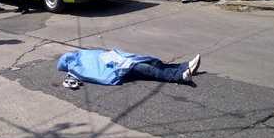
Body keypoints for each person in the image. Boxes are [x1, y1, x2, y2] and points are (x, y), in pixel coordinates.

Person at [57, 49, 202, 85]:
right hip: (117, 69)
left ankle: (185, 66)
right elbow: (92, 73)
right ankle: (181, 76)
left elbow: (100, 53)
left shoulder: (82, 55)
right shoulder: (76, 67)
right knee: (147, 68)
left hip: (119, 61)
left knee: (152, 63)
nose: (72, 54)